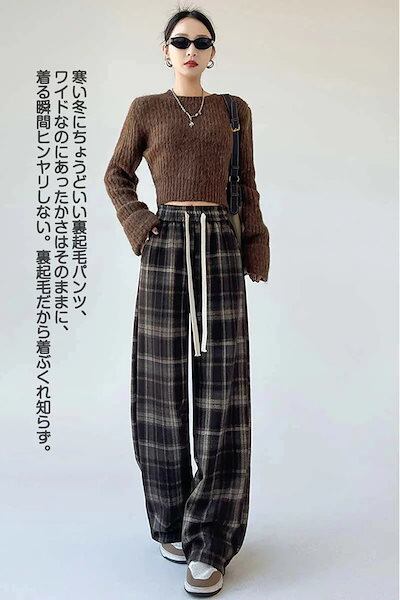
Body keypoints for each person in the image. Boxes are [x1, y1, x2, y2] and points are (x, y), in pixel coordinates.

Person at [104, 7, 270, 596]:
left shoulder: (234, 110)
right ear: (166, 51)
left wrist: (254, 244)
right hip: (166, 244)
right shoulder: (145, 109)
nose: (191, 49)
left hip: (219, 245)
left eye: (201, 41)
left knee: (223, 391)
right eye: (180, 41)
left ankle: (212, 536)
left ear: (213, 51)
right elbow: (116, 174)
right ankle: (171, 519)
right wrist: (143, 226)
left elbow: (246, 185)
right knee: (160, 387)